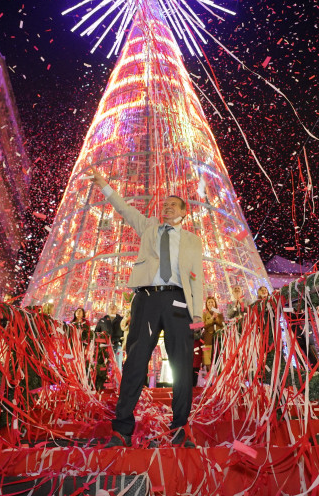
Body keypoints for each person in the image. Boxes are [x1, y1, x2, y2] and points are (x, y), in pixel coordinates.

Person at [88, 168, 204, 449]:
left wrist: (198, 314)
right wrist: (105, 186)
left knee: (182, 365)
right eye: (165, 204)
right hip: (147, 299)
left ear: (183, 213)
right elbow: (124, 209)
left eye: (173, 205)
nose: (166, 207)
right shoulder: (149, 227)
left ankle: (180, 429)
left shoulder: (192, 240)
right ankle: (122, 430)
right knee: (136, 362)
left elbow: (196, 277)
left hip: (179, 303)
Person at [201, 297, 224, 370]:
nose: (211, 304)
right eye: (209, 302)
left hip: (218, 338)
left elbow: (222, 324)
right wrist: (211, 319)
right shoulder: (204, 314)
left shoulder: (220, 314)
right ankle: (209, 377)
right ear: (206, 305)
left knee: (219, 358)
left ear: (215, 304)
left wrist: (216, 318)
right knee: (208, 360)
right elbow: (203, 325)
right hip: (208, 339)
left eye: (212, 302)